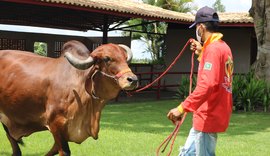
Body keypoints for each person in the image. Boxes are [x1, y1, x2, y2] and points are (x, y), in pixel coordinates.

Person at [167, 6, 234, 156]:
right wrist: (202, 52)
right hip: (214, 112)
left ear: (201, 27)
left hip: (207, 115)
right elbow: (217, 73)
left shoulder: (213, 49)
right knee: (186, 154)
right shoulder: (224, 47)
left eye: (196, 27)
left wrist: (182, 108)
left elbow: (208, 85)